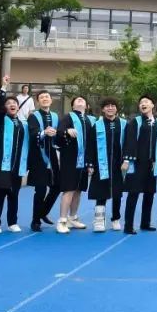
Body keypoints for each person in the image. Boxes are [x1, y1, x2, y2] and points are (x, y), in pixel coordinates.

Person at [121, 95, 157, 234]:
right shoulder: (135, 121)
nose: (143, 104)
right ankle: (128, 225)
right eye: (141, 102)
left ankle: (145, 223)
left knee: (149, 193)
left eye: (146, 102)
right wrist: (126, 160)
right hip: (137, 162)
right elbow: (130, 141)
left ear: (152, 105)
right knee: (133, 193)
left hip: (151, 163)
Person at [0, 75, 27, 233]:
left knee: (14, 195)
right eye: (9, 103)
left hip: (17, 165)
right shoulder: (1, 120)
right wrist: (3, 87)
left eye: (14, 103)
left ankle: (12, 222)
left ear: (18, 107)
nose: (12, 105)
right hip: (3, 164)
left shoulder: (23, 123)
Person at [87, 98, 126, 232]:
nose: (110, 108)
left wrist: (126, 160)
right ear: (103, 109)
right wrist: (90, 164)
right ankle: (99, 221)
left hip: (118, 164)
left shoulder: (123, 124)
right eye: (107, 106)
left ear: (116, 108)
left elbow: (128, 143)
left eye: (113, 106)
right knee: (101, 192)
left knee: (117, 193)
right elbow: (91, 145)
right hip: (101, 164)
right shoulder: (97, 125)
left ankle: (116, 219)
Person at [55, 96, 94, 233]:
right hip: (70, 158)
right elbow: (58, 133)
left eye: (82, 100)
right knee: (69, 189)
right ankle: (62, 220)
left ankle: (72, 218)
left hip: (84, 161)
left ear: (87, 106)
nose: (80, 100)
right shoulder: (68, 117)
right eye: (77, 100)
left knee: (78, 190)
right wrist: (66, 131)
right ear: (72, 106)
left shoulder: (90, 120)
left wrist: (91, 163)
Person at [25, 90, 61, 232]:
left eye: (47, 97)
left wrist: (58, 133)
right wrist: (44, 132)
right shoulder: (33, 116)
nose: (45, 99)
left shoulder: (55, 116)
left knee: (57, 186)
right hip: (38, 157)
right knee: (40, 189)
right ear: (38, 101)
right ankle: (35, 221)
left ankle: (43, 212)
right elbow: (33, 133)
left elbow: (58, 135)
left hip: (53, 157)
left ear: (51, 100)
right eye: (42, 97)